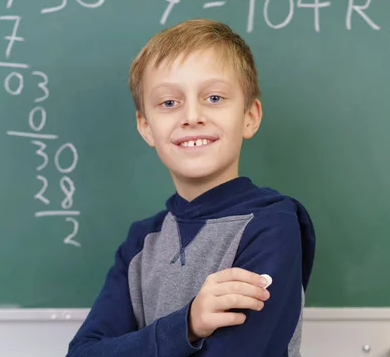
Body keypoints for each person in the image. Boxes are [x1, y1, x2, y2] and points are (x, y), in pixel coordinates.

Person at [66, 18, 316, 357]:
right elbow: (83, 353)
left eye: (214, 97)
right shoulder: (141, 243)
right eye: (169, 103)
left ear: (250, 116)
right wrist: (189, 324)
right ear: (146, 127)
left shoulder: (272, 225)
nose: (192, 116)